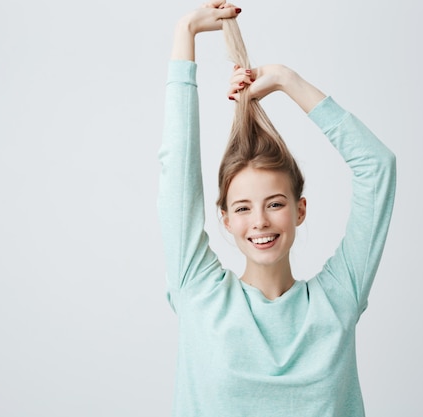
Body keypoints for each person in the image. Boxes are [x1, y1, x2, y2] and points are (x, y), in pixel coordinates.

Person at [158, 2, 396, 416]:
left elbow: (378, 167)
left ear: (300, 210)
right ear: (226, 218)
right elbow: (176, 170)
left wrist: (288, 80)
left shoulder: (338, 299)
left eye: (275, 203)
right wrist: (186, 34)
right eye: (244, 208)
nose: (261, 221)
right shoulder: (199, 293)